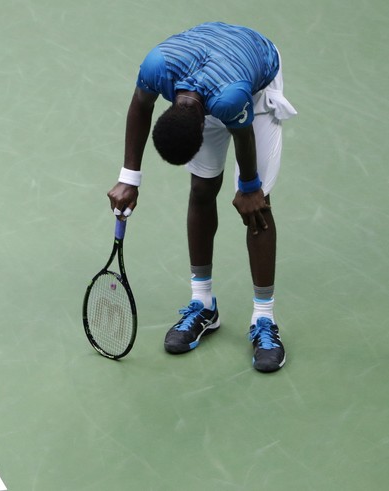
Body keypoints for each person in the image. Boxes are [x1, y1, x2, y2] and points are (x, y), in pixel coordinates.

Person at [106, 22, 297, 373]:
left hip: (254, 75)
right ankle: (203, 304)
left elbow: (242, 138)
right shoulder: (156, 68)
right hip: (210, 62)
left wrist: (250, 189)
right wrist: (129, 178)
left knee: (258, 208)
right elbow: (139, 106)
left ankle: (264, 319)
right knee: (201, 188)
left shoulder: (230, 100)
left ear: (207, 126)